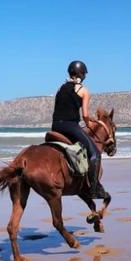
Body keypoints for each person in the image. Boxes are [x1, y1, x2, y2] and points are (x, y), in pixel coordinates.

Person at [51, 60, 102, 197]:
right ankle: (94, 189)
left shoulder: (60, 88)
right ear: (82, 74)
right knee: (95, 153)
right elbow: (85, 114)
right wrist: (89, 122)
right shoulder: (83, 90)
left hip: (55, 126)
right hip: (70, 126)